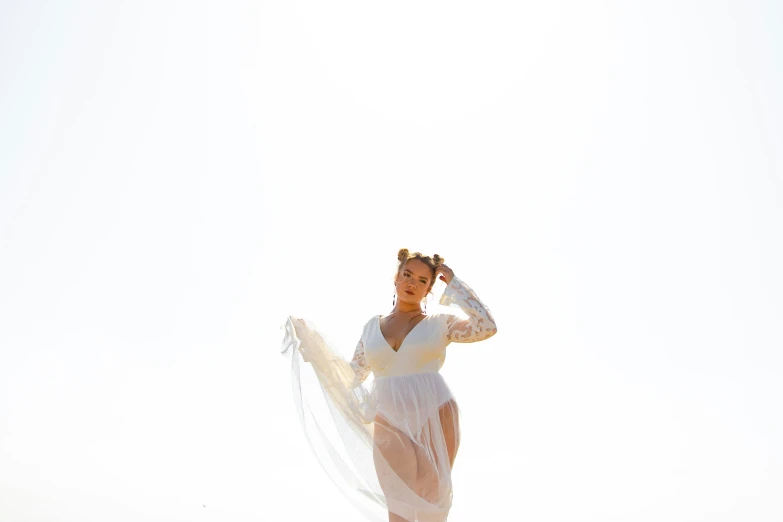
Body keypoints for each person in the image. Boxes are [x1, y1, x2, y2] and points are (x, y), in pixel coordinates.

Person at [281, 248, 497, 522]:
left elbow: (486, 326)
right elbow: (352, 376)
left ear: (430, 289)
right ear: (395, 278)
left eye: (422, 281)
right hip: (388, 414)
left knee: (431, 497)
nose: (412, 284)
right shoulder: (372, 327)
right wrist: (316, 349)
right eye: (407, 275)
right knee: (398, 505)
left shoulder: (441, 324)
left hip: (435, 410)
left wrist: (455, 284)